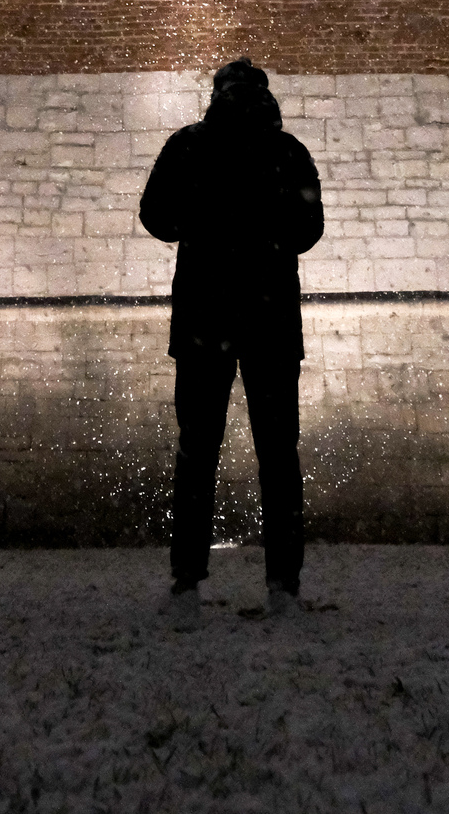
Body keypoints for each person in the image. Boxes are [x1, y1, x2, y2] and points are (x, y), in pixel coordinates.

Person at [139, 58, 323, 628]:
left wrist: (205, 221)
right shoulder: (286, 150)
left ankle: (187, 584)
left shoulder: (188, 146)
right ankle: (283, 587)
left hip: (204, 315)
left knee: (196, 454)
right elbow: (308, 231)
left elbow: (157, 218)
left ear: (216, 95)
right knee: (278, 456)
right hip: (269, 319)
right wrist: (264, 236)